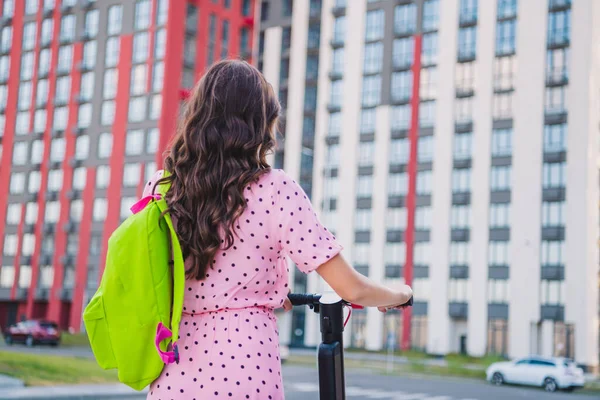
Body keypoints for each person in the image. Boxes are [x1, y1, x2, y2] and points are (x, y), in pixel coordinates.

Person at [146, 60, 412, 400]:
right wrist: (400, 295)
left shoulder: (161, 188)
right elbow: (353, 289)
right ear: (259, 123)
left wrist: (264, 290)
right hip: (245, 371)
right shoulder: (274, 190)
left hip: (174, 370)